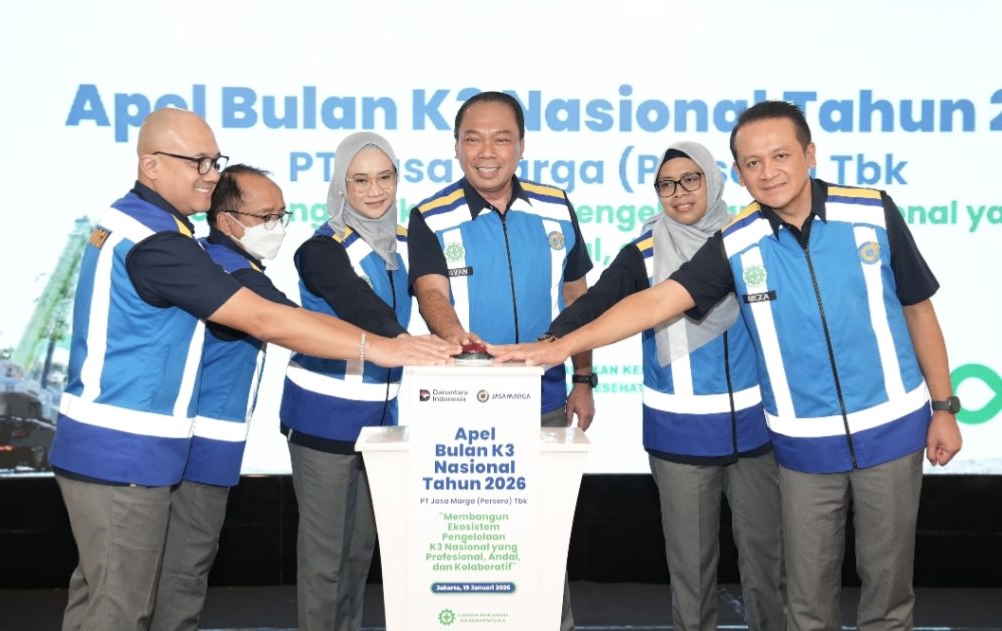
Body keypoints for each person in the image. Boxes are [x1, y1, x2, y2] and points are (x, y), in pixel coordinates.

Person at [493, 100, 963, 631]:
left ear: (809, 154)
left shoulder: (872, 211)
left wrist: (943, 406)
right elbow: (654, 302)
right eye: (753, 163)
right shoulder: (736, 242)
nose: (769, 172)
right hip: (801, 446)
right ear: (738, 173)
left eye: (780, 156)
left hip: (889, 431)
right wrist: (558, 345)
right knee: (807, 605)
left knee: (887, 599)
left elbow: (918, 308)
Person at [49, 108, 457, 631]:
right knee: (120, 610)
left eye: (213, 161)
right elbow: (268, 318)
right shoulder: (160, 243)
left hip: (148, 449)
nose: (209, 175)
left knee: (150, 597)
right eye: (196, 162)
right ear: (150, 165)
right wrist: (382, 347)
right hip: (124, 449)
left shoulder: (158, 230)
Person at [546, 141, 785, 630]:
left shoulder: (751, 238)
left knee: (767, 565)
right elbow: (597, 303)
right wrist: (547, 341)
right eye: (666, 185)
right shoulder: (644, 252)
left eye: (691, 179)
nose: (679, 193)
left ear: (713, 180)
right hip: (680, 433)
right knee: (692, 574)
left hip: (756, 429)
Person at [407, 90, 595, 631]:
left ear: (521, 146)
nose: (486, 152)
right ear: (456, 147)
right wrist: (457, 338)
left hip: (547, 402)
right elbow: (431, 293)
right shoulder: (430, 215)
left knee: (547, 536)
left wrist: (584, 377)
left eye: (501, 138)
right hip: (466, 409)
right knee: (475, 543)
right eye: (473, 139)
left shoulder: (556, 206)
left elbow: (578, 299)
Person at [150, 164, 295, 631]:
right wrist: (386, 344)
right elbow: (291, 323)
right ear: (226, 220)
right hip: (202, 444)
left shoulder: (227, 263)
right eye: (265, 217)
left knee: (173, 568)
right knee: (183, 571)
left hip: (202, 441)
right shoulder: (227, 269)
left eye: (282, 215)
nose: (277, 226)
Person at [278, 132, 410, 631]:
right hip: (324, 420)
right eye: (360, 180)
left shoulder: (405, 242)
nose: (375, 190)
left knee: (358, 554)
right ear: (341, 185)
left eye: (384, 177)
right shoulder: (321, 249)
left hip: (381, 423)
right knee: (326, 559)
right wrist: (411, 343)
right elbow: (364, 309)